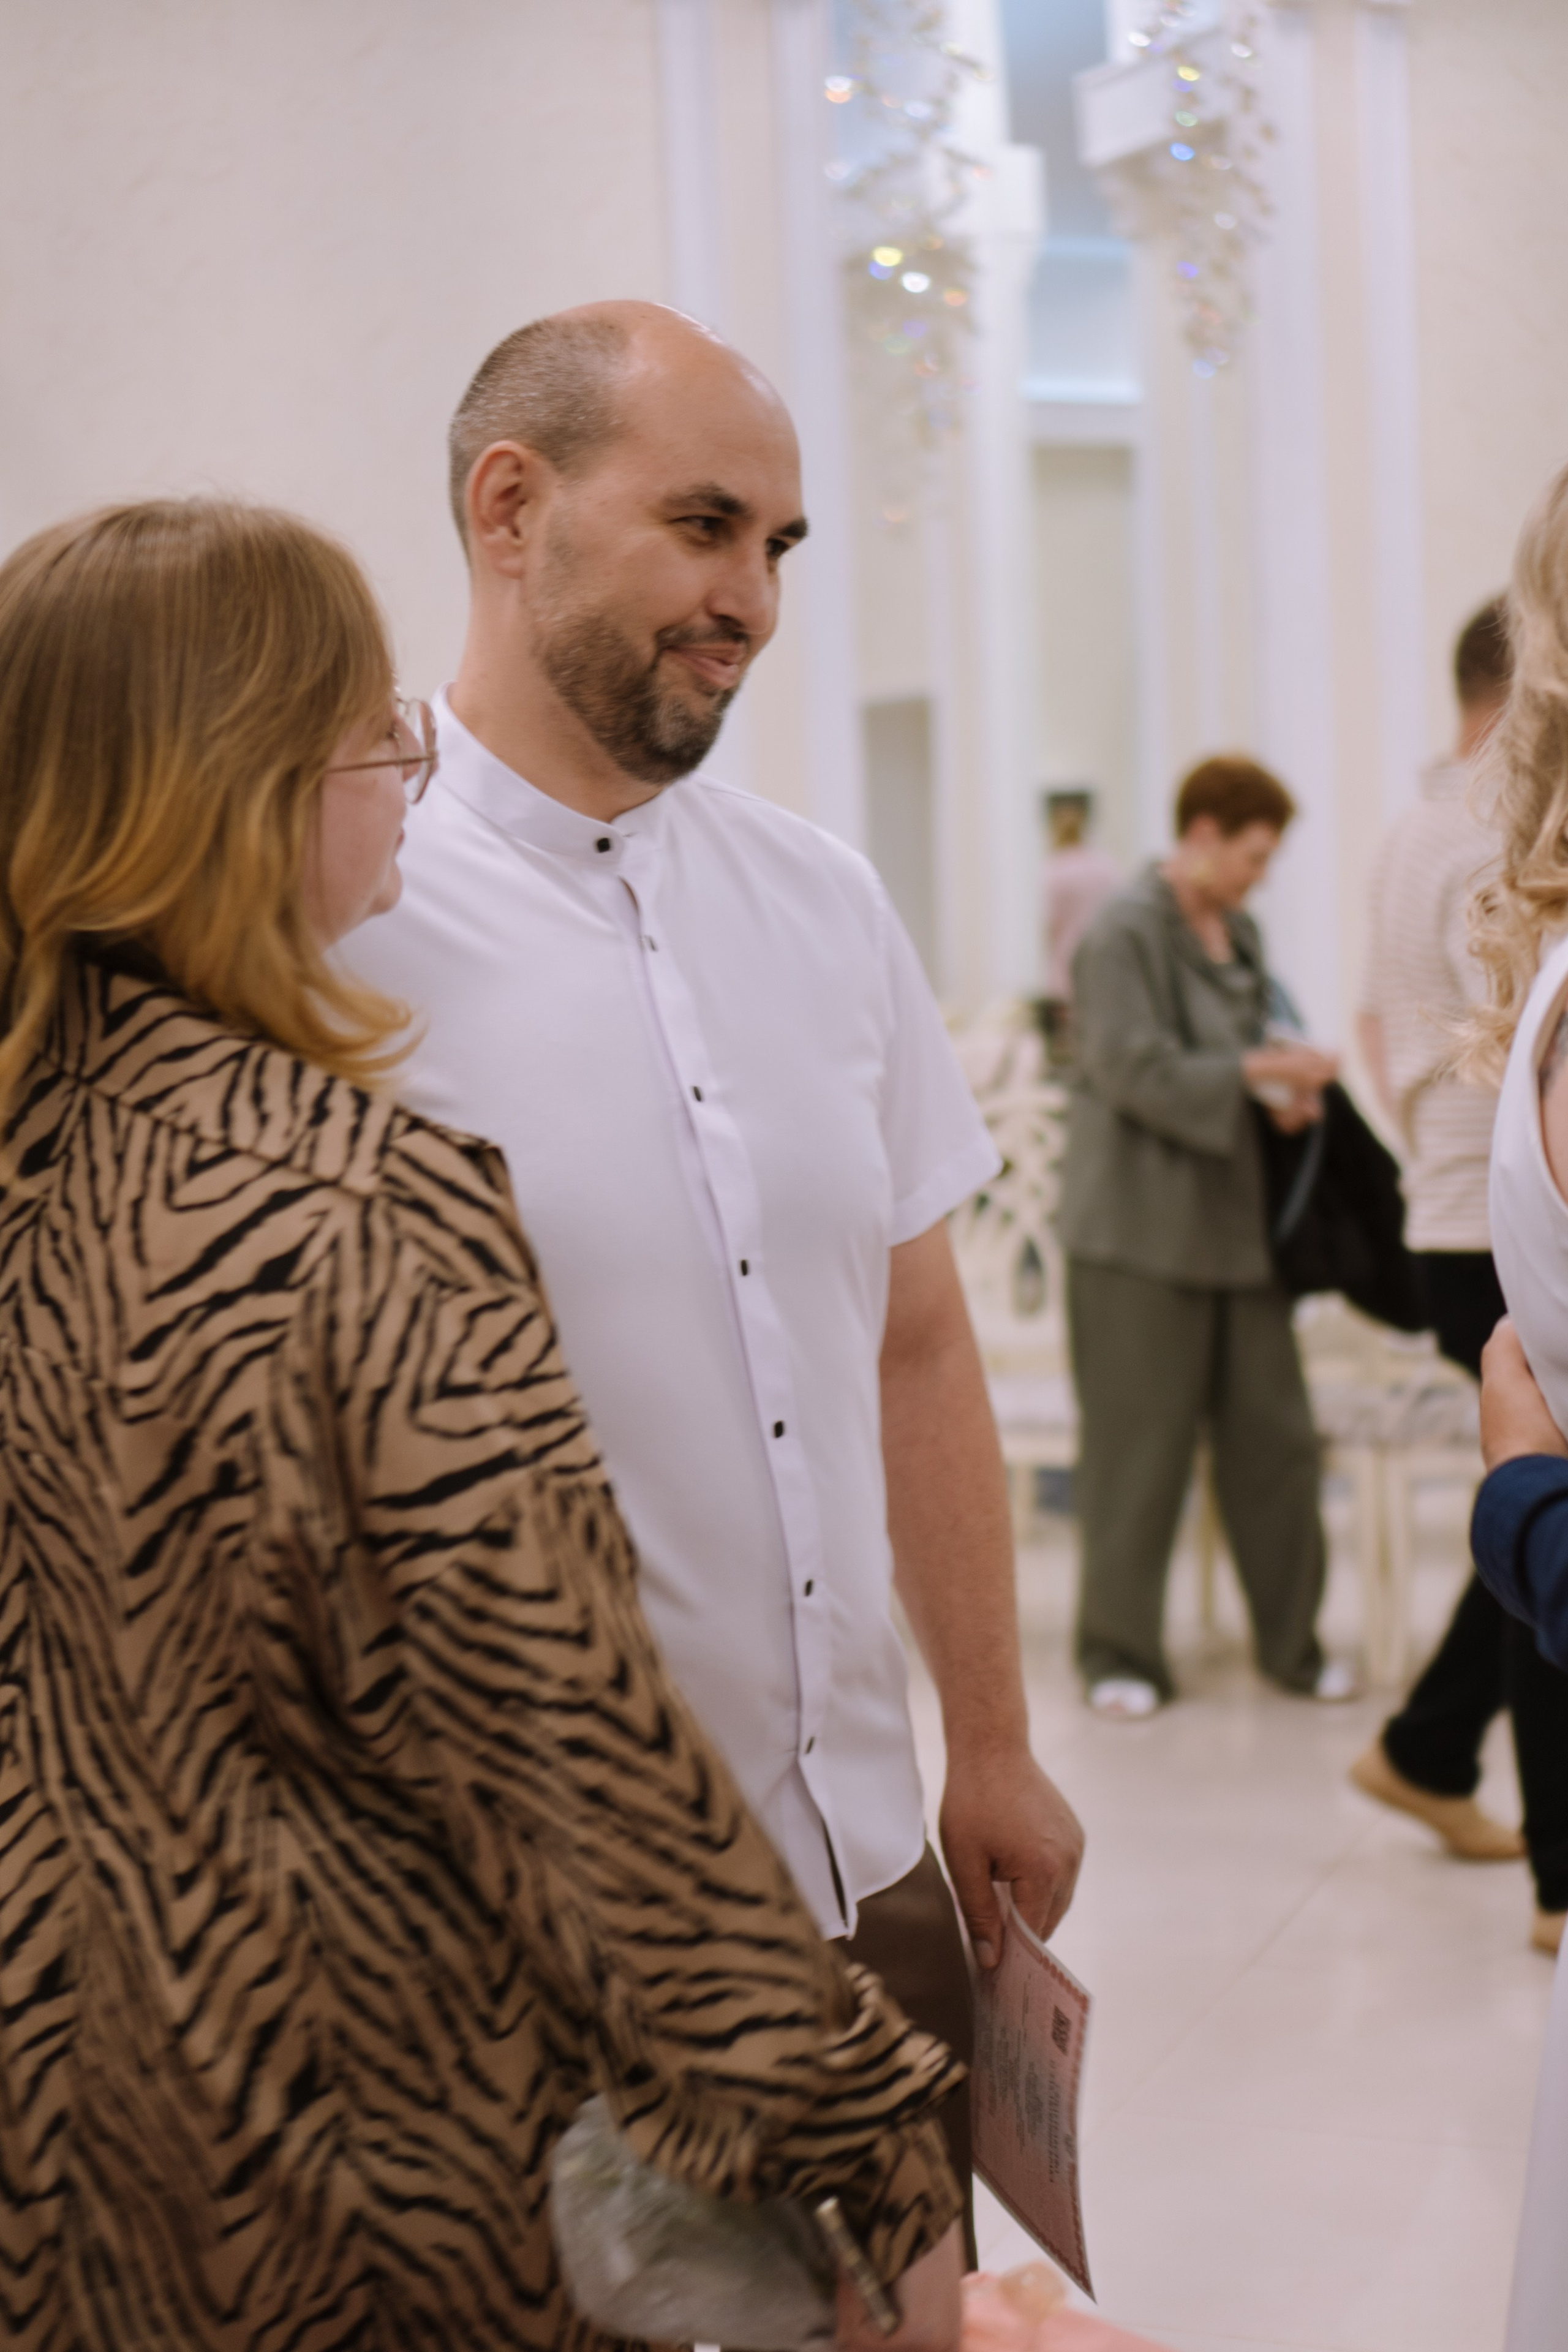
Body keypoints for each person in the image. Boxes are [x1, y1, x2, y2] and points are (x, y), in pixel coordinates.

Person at [0, 497, 967, 2350]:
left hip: (64, 2115)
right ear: (241, 777)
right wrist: (868, 2135)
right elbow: (576, 1756)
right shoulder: (357, 1203)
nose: (401, 762)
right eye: (370, 728)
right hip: (337, 2143)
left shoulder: (49, 1153)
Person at [343, 302, 1084, 2255]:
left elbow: (915, 1343)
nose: (750, 594)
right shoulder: (336, 917)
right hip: (522, 1921)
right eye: (702, 524)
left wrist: (988, 1742)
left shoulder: (821, 899)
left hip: (863, 1878)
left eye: (778, 545)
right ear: (511, 507)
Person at [1349, 599, 1568, 1939]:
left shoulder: (1411, 829)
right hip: (1490, 1227)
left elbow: (1380, 1032)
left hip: (1444, 1213)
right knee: (1541, 1479)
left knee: (1530, 1483)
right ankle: (1558, 1868)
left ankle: (1425, 1749)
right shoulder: (1499, 833)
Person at [1060, 754, 1349, 1718]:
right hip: (1136, 1236)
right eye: (1254, 855)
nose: (1262, 874)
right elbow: (1132, 1068)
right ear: (1203, 836)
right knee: (1137, 1456)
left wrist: (1286, 1096)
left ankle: (1293, 1649)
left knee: (1278, 1445)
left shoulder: (1245, 932)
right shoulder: (1120, 936)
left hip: (1236, 1231)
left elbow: (1242, 1054)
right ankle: (1119, 1657)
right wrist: (1255, 1077)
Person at [1039, 791, 1120, 1063]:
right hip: (1102, 970)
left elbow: (1051, 927)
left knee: (1069, 1050)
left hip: (1064, 973)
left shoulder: (1054, 870)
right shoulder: (1106, 867)